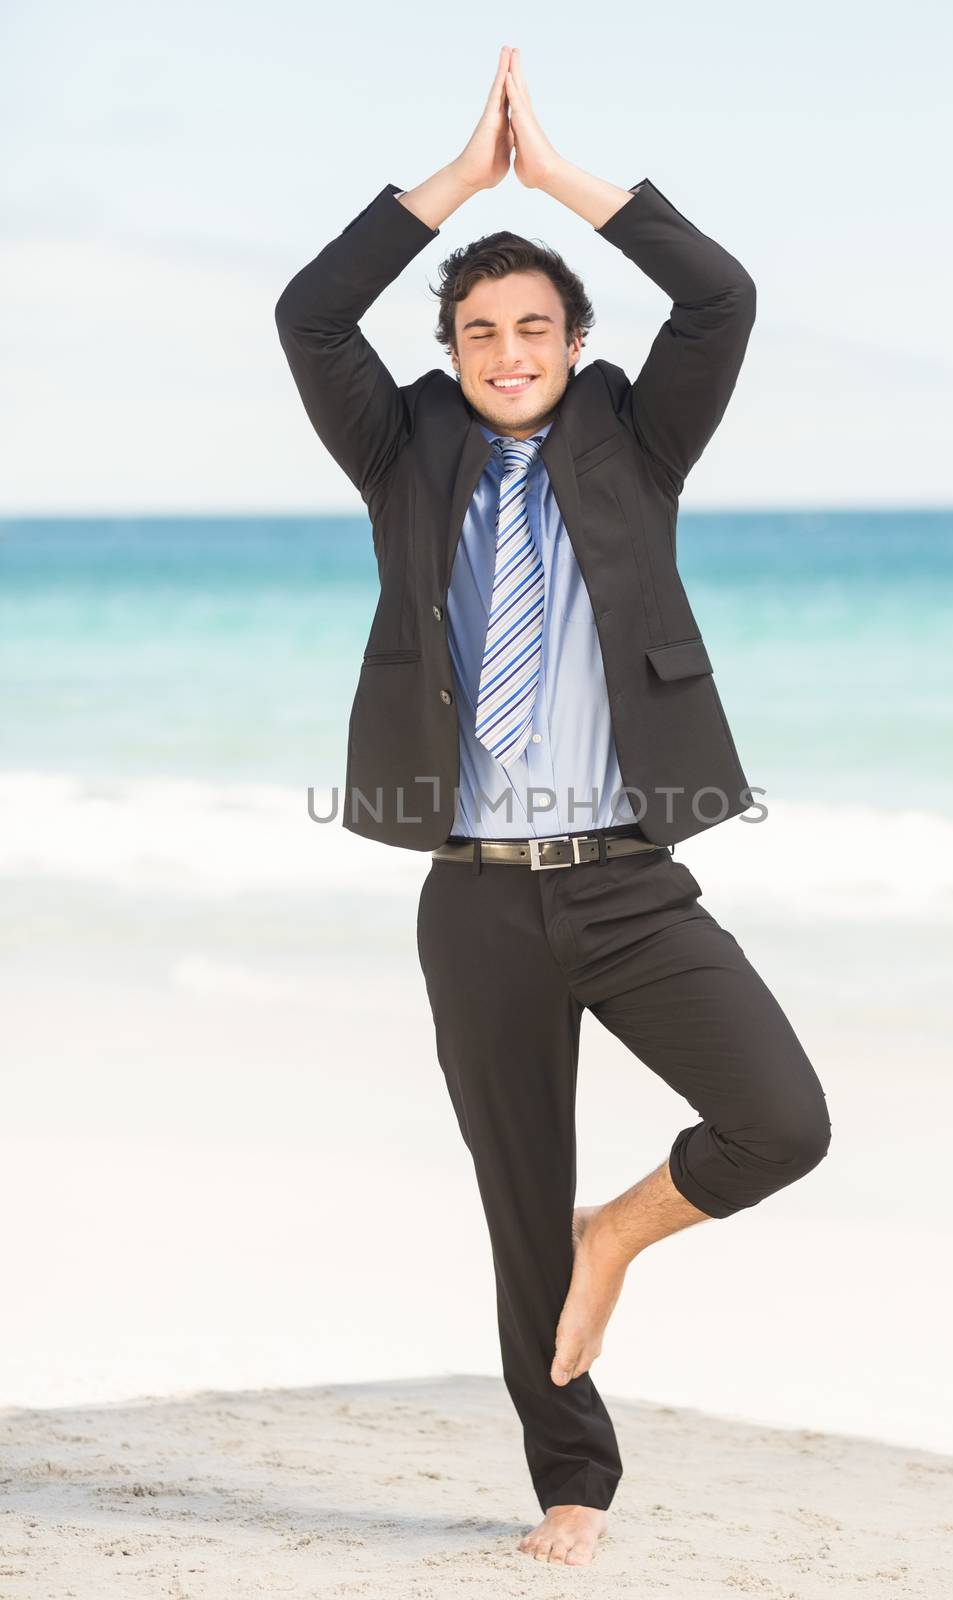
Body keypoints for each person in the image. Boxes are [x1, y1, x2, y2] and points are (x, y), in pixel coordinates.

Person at [274, 44, 832, 1568]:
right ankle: (572, 1478)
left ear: (577, 342)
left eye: (533, 326)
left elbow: (719, 296)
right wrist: (455, 184)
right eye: (478, 331)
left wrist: (563, 178)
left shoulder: (637, 442)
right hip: (475, 896)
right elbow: (308, 314)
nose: (507, 350)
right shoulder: (401, 454)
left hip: (630, 884)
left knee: (782, 1121)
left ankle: (624, 1235)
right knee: (517, 1204)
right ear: (448, 351)